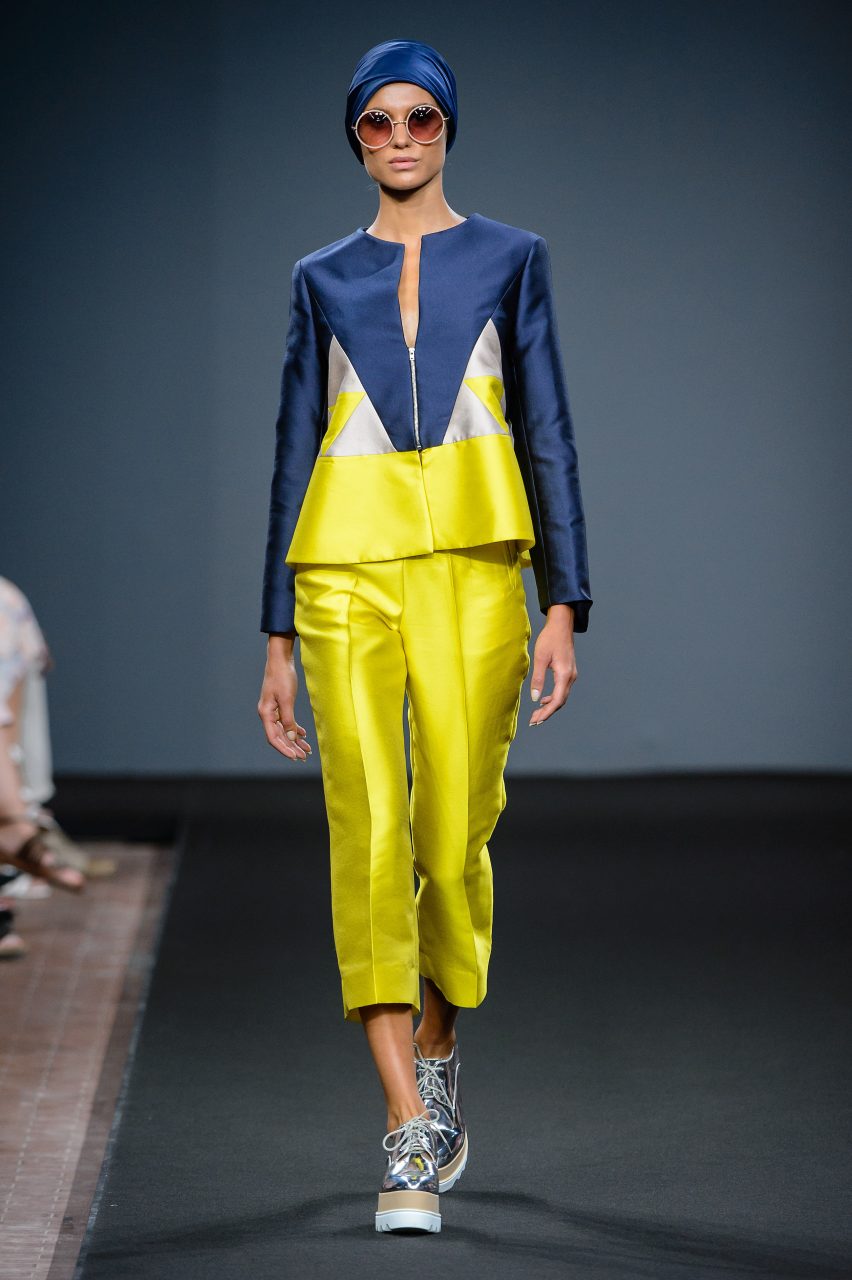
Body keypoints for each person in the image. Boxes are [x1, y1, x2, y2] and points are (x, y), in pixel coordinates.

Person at [257, 39, 593, 1234]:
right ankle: (404, 1119)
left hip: (476, 565)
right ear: (355, 137)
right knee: (368, 827)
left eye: (422, 118)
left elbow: (546, 424)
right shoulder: (320, 276)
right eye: (378, 121)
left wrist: (564, 598)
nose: (401, 138)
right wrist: (275, 634)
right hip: (342, 571)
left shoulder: (512, 257)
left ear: (448, 128)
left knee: (454, 832)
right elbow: (295, 444)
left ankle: (440, 1046)